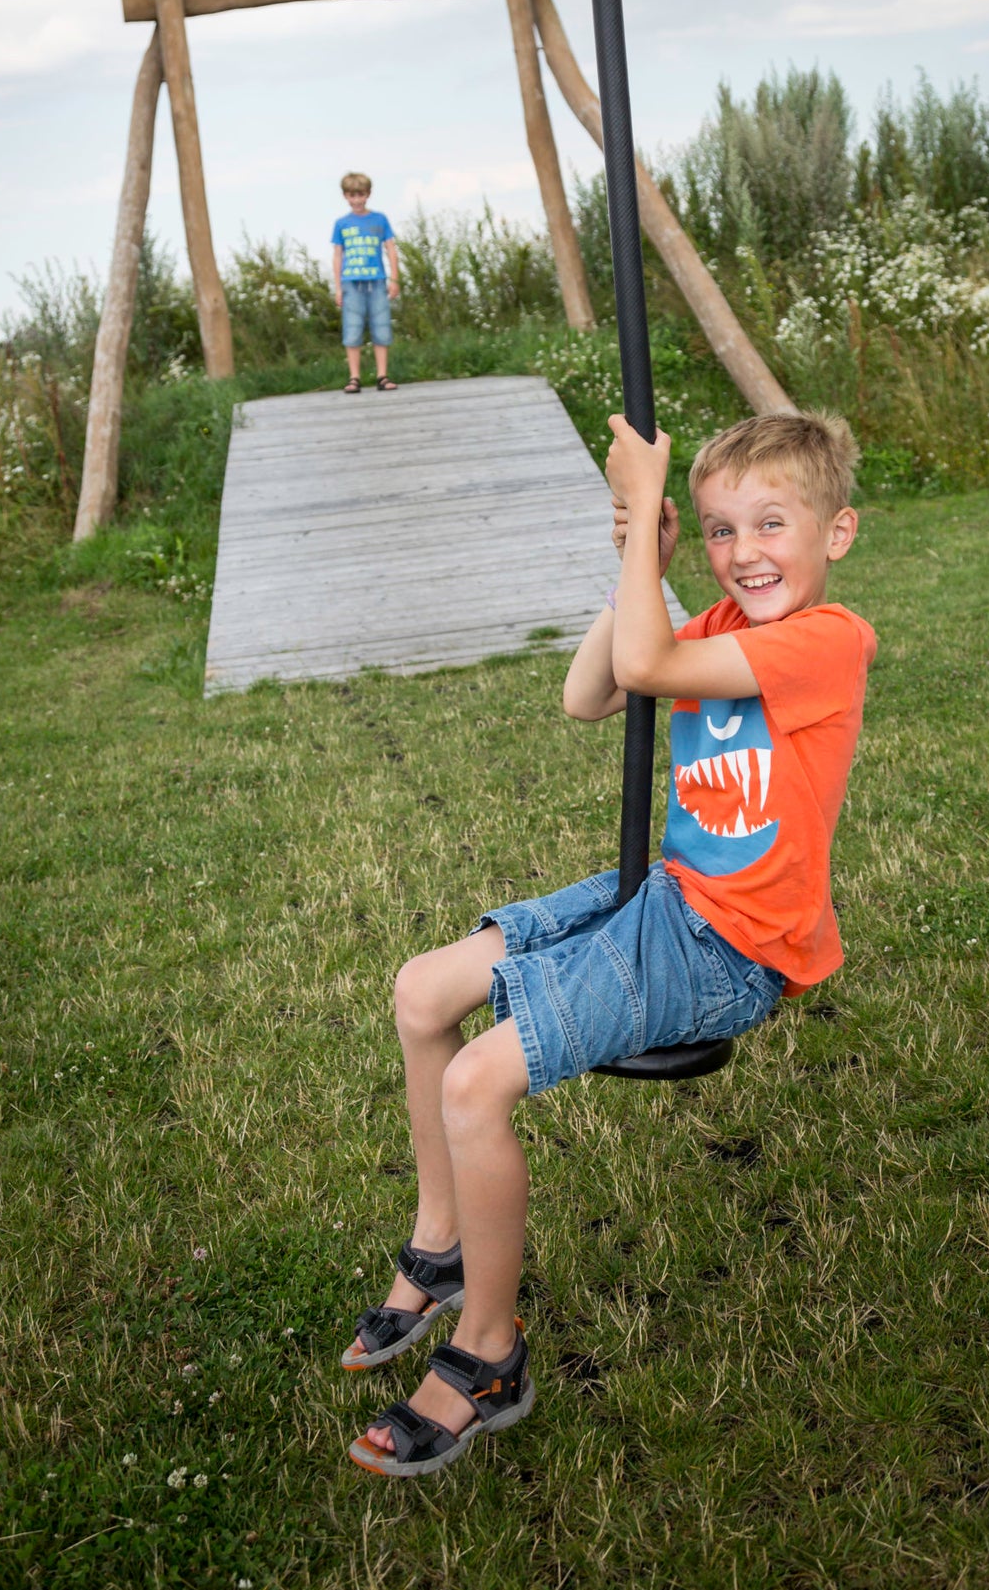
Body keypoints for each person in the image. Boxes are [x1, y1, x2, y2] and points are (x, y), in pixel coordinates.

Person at [343, 409, 876, 1478]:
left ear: (838, 533)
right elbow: (590, 692)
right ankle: (441, 1242)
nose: (744, 550)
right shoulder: (720, 616)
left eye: (772, 522)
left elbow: (645, 657)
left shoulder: (828, 641)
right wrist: (648, 556)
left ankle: (487, 1356)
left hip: (729, 948)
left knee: (476, 1085)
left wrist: (642, 546)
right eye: (720, 528)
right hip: (667, 895)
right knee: (420, 991)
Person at [331, 172, 400, 393]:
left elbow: (390, 248)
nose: (357, 200)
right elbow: (337, 255)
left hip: (377, 282)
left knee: (381, 328)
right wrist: (338, 287)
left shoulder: (380, 220)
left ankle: (382, 375)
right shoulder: (341, 224)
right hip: (351, 283)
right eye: (352, 196)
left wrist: (395, 278)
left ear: (368, 195)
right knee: (352, 330)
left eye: (361, 195)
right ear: (345, 196)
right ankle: (354, 377)